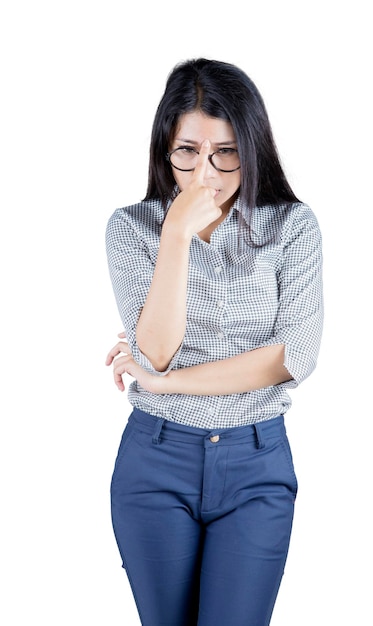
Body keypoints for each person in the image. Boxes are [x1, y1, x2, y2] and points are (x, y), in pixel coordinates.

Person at [105, 57, 323, 626]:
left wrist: (166, 384)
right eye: (188, 151)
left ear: (252, 147)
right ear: (165, 149)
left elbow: (293, 357)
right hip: (156, 462)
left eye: (226, 151)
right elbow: (154, 351)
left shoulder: (292, 227)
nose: (207, 172)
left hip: (256, 464)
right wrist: (175, 233)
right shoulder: (131, 229)